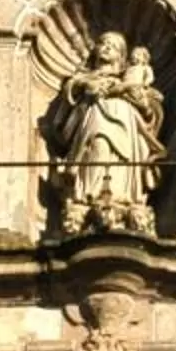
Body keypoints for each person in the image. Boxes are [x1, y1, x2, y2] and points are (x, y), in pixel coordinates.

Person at [51, 31, 164, 233]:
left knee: (124, 159)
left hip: (126, 119)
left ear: (121, 56)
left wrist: (133, 96)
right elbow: (70, 90)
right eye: (102, 43)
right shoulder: (83, 77)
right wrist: (87, 85)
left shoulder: (131, 76)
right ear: (94, 50)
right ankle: (89, 196)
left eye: (112, 46)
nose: (106, 47)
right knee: (98, 143)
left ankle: (124, 197)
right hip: (95, 114)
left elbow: (150, 106)